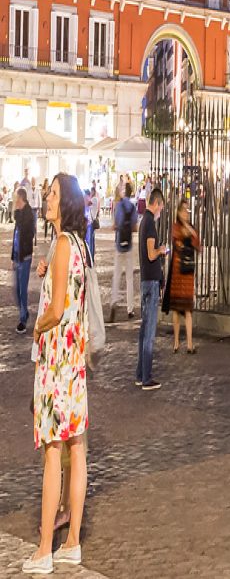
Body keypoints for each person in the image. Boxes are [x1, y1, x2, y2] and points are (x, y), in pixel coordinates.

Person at [26, 174, 91, 575]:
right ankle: (71, 543)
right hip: (75, 359)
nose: (46, 199)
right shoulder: (77, 245)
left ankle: (45, 549)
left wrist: (37, 327)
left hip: (57, 360)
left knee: (54, 452)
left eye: (51, 194)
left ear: (63, 202)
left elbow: (56, 310)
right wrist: (48, 272)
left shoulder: (65, 243)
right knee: (77, 449)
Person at [136, 185, 170, 391]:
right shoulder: (149, 224)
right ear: (156, 204)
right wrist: (162, 249)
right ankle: (147, 377)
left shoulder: (144, 222)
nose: (161, 212)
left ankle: (140, 373)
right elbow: (150, 254)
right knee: (149, 331)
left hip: (145, 280)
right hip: (150, 282)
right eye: (161, 208)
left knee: (143, 330)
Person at [163, 196, 200, 354]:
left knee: (188, 309)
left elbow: (198, 244)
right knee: (177, 309)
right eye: (184, 210)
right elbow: (177, 240)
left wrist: (190, 230)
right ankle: (177, 342)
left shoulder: (191, 227)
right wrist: (186, 230)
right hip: (178, 269)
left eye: (187, 210)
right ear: (178, 212)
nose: (186, 213)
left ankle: (190, 344)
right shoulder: (176, 226)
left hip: (188, 271)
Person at [109, 179, 139, 321]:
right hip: (129, 246)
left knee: (116, 275)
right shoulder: (133, 207)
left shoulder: (119, 206)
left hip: (119, 244)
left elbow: (115, 225)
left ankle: (113, 303)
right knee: (129, 278)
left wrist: (118, 227)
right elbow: (135, 227)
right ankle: (130, 308)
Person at [12, 184, 36, 333]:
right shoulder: (19, 213)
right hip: (17, 256)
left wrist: (18, 214)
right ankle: (24, 313)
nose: (15, 201)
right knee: (16, 290)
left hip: (25, 257)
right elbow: (15, 235)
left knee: (22, 290)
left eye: (16, 198)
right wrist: (13, 256)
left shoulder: (27, 214)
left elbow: (28, 234)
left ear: (21, 198)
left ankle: (22, 319)